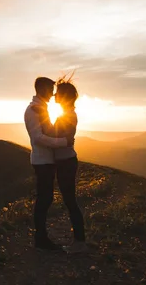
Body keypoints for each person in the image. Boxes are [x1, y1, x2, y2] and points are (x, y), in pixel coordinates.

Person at [24, 77, 74, 250]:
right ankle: (41, 239)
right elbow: (37, 138)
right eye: (50, 89)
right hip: (42, 160)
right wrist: (63, 142)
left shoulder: (40, 108)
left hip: (46, 160)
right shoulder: (33, 110)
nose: (53, 94)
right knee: (44, 198)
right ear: (42, 89)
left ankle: (41, 238)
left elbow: (49, 132)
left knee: (46, 198)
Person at [52, 75, 87, 253]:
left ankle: (80, 242)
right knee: (69, 200)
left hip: (66, 161)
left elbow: (64, 140)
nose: (54, 96)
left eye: (57, 93)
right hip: (65, 161)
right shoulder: (67, 114)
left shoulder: (68, 116)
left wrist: (43, 138)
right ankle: (79, 241)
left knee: (70, 201)